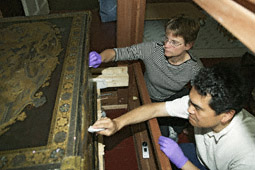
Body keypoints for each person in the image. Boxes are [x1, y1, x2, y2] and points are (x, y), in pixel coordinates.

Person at [91, 64, 255, 170]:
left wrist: (183, 162)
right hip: (201, 156)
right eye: (190, 101)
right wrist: (117, 123)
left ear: (226, 115)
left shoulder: (248, 154)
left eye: (196, 108)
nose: (189, 109)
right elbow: (154, 110)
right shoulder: (199, 103)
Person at [89, 15, 203, 138]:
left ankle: (176, 128)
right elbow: (117, 53)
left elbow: (202, 96)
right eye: (166, 38)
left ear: (188, 45)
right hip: (150, 96)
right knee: (158, 133)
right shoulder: (152, 50)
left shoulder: (195, 68)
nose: (166, 45)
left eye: (174, 42)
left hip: (172, 97)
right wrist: (101, 57)